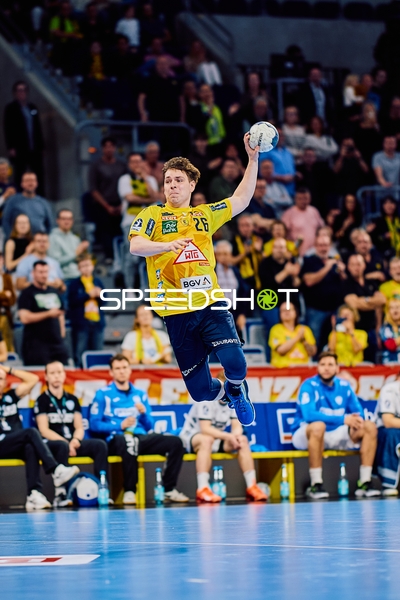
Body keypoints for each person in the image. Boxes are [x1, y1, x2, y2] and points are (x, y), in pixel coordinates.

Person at [129, 134, 260, 427]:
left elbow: (241, 199)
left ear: (191, 185)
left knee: (236, 364)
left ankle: (236, 388)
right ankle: (226, 391)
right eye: (168, 181)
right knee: (201, 393)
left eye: (178, 180)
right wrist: (166, 246)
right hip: (176, 312)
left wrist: (252, 159)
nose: (172, 185)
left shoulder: (204, 214)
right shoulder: (153, 214)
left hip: (210, 304)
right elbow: (135, 245)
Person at [90, 354, 189, 505]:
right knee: (129, 441)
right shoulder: (103, 394)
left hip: (141, 437)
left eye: (124, 367)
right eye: (117, 368)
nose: (122, 371)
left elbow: (149, 426)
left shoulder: (140, 393)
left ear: (130, 370)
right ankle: (130, 491)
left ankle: (168, 488)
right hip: (117, 438)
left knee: (176, 442)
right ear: (111, 372)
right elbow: (94, 424)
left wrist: (143, 414)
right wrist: (120, 426)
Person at [292, 352, 379, 499]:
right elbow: (309, 415)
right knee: (318, 426)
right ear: (317, 367)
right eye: (322, 364)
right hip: (305, 434)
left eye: (330, 364)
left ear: (337, 368)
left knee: (369, 427)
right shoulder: (309, 385)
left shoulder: (344, 386)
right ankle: (316, 484)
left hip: (336, 433)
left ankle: (365, 482)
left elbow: (358, 414)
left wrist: (356, 421)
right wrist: (343, 419)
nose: (326, 368)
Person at [0, 364, 79, 510]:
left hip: (15, 444)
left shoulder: (10, 397)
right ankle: (55, 470)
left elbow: (33, 379)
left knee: (30, 447)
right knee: (30, 432)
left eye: (0, 379)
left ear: (5, 382)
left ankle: (34, 494)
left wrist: (8, 370)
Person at [35, 361, 108, 507]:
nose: (56, 376)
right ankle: (61, 494)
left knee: (100, 445)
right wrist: (67, 443)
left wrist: (75, 440)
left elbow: (79, 426)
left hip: (72, 442)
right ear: (46, 377)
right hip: (53, 444)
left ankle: (102, 489)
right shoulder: (42, 400)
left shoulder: (72, 399)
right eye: (52, 373)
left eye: (59, 372)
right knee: (61, 446)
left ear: (64, 375)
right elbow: (43, 430)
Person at [179, 396, 267, 503]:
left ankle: (252, 487)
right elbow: (205, 429)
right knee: (206, 440)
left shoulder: (234, 399)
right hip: (192, 436)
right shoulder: (206, 399)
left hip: (215, 438)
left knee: (242, 441)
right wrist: (228, 436)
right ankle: (203, 489)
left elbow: (237, 427)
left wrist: (235, 437)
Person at [118, 152, 159, 288]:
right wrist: (148, 200)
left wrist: (145, 179)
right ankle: (130, 288)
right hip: (130, 222)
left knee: (151, 257)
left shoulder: (150, 180)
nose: (137, 164)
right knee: (131, 258)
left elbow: (155, 197)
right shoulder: (124, 179)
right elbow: (130, 198)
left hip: (150, 224)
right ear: (129, 164)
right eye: (133, 162)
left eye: (139, 161)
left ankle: (148, 289)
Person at [18, 260, 69, 366]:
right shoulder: (27, 293)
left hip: (57, 344)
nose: (44, 275)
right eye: (40, 272)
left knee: (63, 371)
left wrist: (62, 333)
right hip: (36, 345)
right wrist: (48, 314)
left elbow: (60, 314)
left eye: (46, 272)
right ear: (33, 273)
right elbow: (24, 318)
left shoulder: (54, 291)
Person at [301, 234, 346, 350]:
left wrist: (342, 272)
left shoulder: (336, 261)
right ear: (315, 247)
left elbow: (345, 283)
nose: (323, 248)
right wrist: (327, 267)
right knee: (314, 340)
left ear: (330, 246)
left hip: (335, 309)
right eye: (320, 245)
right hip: (316, 310)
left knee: (338, 340)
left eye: (325, 245)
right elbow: (309, 281)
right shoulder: (309, 261)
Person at [259, 239, 301, 360]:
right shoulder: (265, 263)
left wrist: (294, 275)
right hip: (272, 305)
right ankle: (271, 361)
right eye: (276, 247)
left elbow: (297, 284)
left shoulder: (290, 262)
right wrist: (286, 272)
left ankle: (293, 359)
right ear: (272, 249)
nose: (279, 250)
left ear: (286, 249)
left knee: (293, 333)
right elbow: (268, 284)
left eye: (282, 247)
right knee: (273, 333)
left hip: (290, 303)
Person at [342, 253, 387, 361]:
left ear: (364, 265)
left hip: (372, 330)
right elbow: (354, 304)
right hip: (355, 330)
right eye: (353, 264)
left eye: (358, 264)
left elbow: (382, 300)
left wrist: (363, 301)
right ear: (348, 267)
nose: (356, 267)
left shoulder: (371, 282)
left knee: (373, 361)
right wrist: (372, 301)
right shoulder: (346, 284)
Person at [3, 82, 44, 194]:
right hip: (20, 147)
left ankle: (39, 197)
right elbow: (8, 128)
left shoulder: (32, 107)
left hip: (34, 147)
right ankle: (20, 196)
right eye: (19, 90)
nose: (22, 93)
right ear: (15, 93)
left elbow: (38, 127)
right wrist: (11, 147)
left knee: (38, 173)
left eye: (24, 90)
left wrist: (41, 145)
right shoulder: (11, 108)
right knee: (20, 173)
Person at [89, 136, 126, 260]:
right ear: (102, 148)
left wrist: (122, 205)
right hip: (103, 205)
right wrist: (107, 206)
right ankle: (109, 257)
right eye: (106, 147)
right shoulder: (96, 166)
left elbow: (127, 184)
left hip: (120, 204)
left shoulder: (121, 165)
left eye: (111, 146)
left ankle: (122, 258)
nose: (109, 149)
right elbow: (93, 189)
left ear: (115, 148)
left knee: (120, 232)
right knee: (105, 232)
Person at [67, 254, 105, 368]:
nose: (86, 268)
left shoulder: (98, 282)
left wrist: (100, 295)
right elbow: (71, 302)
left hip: (97, 322)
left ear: (92, 266)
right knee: (80, 352)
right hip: (81, 324)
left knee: (97, 351)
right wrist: (88, 295)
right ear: (78, 268)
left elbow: (105, 301)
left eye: (88, 265)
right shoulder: (74, 284)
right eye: (83, 266)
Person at [2, 172, 54, 241]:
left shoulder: (43, 202)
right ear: (22, 184)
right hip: (18, 241)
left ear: (36, 183)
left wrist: (44, 239)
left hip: (38, 242)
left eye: (32, 180)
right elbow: (5, 221)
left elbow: (51, 224)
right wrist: (11, 239)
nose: (30, 183)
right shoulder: (12, 201)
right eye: (27, 181)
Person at [371, 372, 400, 495]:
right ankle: (388, 483)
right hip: (384, 431)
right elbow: (388, 421)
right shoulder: (390, 389)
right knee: (392, 434)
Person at [269, 302, 316, 368]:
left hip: (303, 368)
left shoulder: (305, 329)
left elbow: (312, 352)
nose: (286, 312)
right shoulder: (276, 329)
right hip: (282, 368)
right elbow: (281, 350)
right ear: (280, 314)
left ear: (295, 312)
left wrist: (304, 340)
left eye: (289, 310)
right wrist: (298, 337)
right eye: (283, 310)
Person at [138, 56, 183, 124]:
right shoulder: (149, 80)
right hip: (155, 118)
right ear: (156, 66)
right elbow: (141, 98)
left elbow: (181, 99)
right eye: (160, 63)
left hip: (173, 118)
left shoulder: (175, 81)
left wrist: (182, 116)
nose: (162, 66)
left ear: (168, 66)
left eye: (164, 63)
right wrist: (143, 114)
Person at [49, 209, 89, 283]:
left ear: (72, 221)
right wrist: (76, 253)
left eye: (69, 219)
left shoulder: (75, 238)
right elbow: (55, 262)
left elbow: (79, 259)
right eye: (63, 219)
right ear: (57, 221)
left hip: (80, 276)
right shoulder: (52, 238)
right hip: (64, 278)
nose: (67, 222)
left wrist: (84, 252)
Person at [282, 188, 324, 256]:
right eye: (300, 199)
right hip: (296, 253)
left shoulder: (314, 211)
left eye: (305, 198)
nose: (303, 201)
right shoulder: (288, 213)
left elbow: (322, 228)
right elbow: (283, 233)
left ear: (310, 199)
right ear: (295, 199)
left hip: (314, 252)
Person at [296, 146, 333, 217]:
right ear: (303, 157)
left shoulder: (322, 169)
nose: (309, 158)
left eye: (311, 156)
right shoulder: (298, 169)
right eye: (307, 156)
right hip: (303, 202)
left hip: (319, 202)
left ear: (315, 157)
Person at [230, 213, 263, 290]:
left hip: (258, 279)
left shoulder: (258, 239)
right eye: (242, 225)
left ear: (253, 226)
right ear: (238, 227)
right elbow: (230, 262)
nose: (245, 229)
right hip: (241, 280)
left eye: (247, 225)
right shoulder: (234, 241)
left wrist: (259, 251)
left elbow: (266, 260)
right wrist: (244, 253)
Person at [261, 129, 296, 196]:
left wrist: (295, 175)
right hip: (274, 191)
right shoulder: (267, 151)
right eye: (277, 135)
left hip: (291, 189)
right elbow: (262, 171)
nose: (279, 138)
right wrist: (280, 178)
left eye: (281, 135)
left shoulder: (288, 152)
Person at [354, 102, 382, 167]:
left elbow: (381, 139)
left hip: (376, 156)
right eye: (368, 111)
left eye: (372, 111)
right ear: (363, 113)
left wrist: (375, 124)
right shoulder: (357, 127)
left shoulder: (378, 126)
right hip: (362, 156)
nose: (370, 113)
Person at [0, 252, 16, 351]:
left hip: (5, 315)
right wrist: (4, 295)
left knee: (8, 345)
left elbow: (12, 300)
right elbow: (7, 296)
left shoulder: (7, 278)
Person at [379, 298, 400, 363]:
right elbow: (391, 345)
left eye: (397, 307)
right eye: (392, 308)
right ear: (388, 311)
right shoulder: (385, 328)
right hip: (391, 363)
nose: (395, 310)